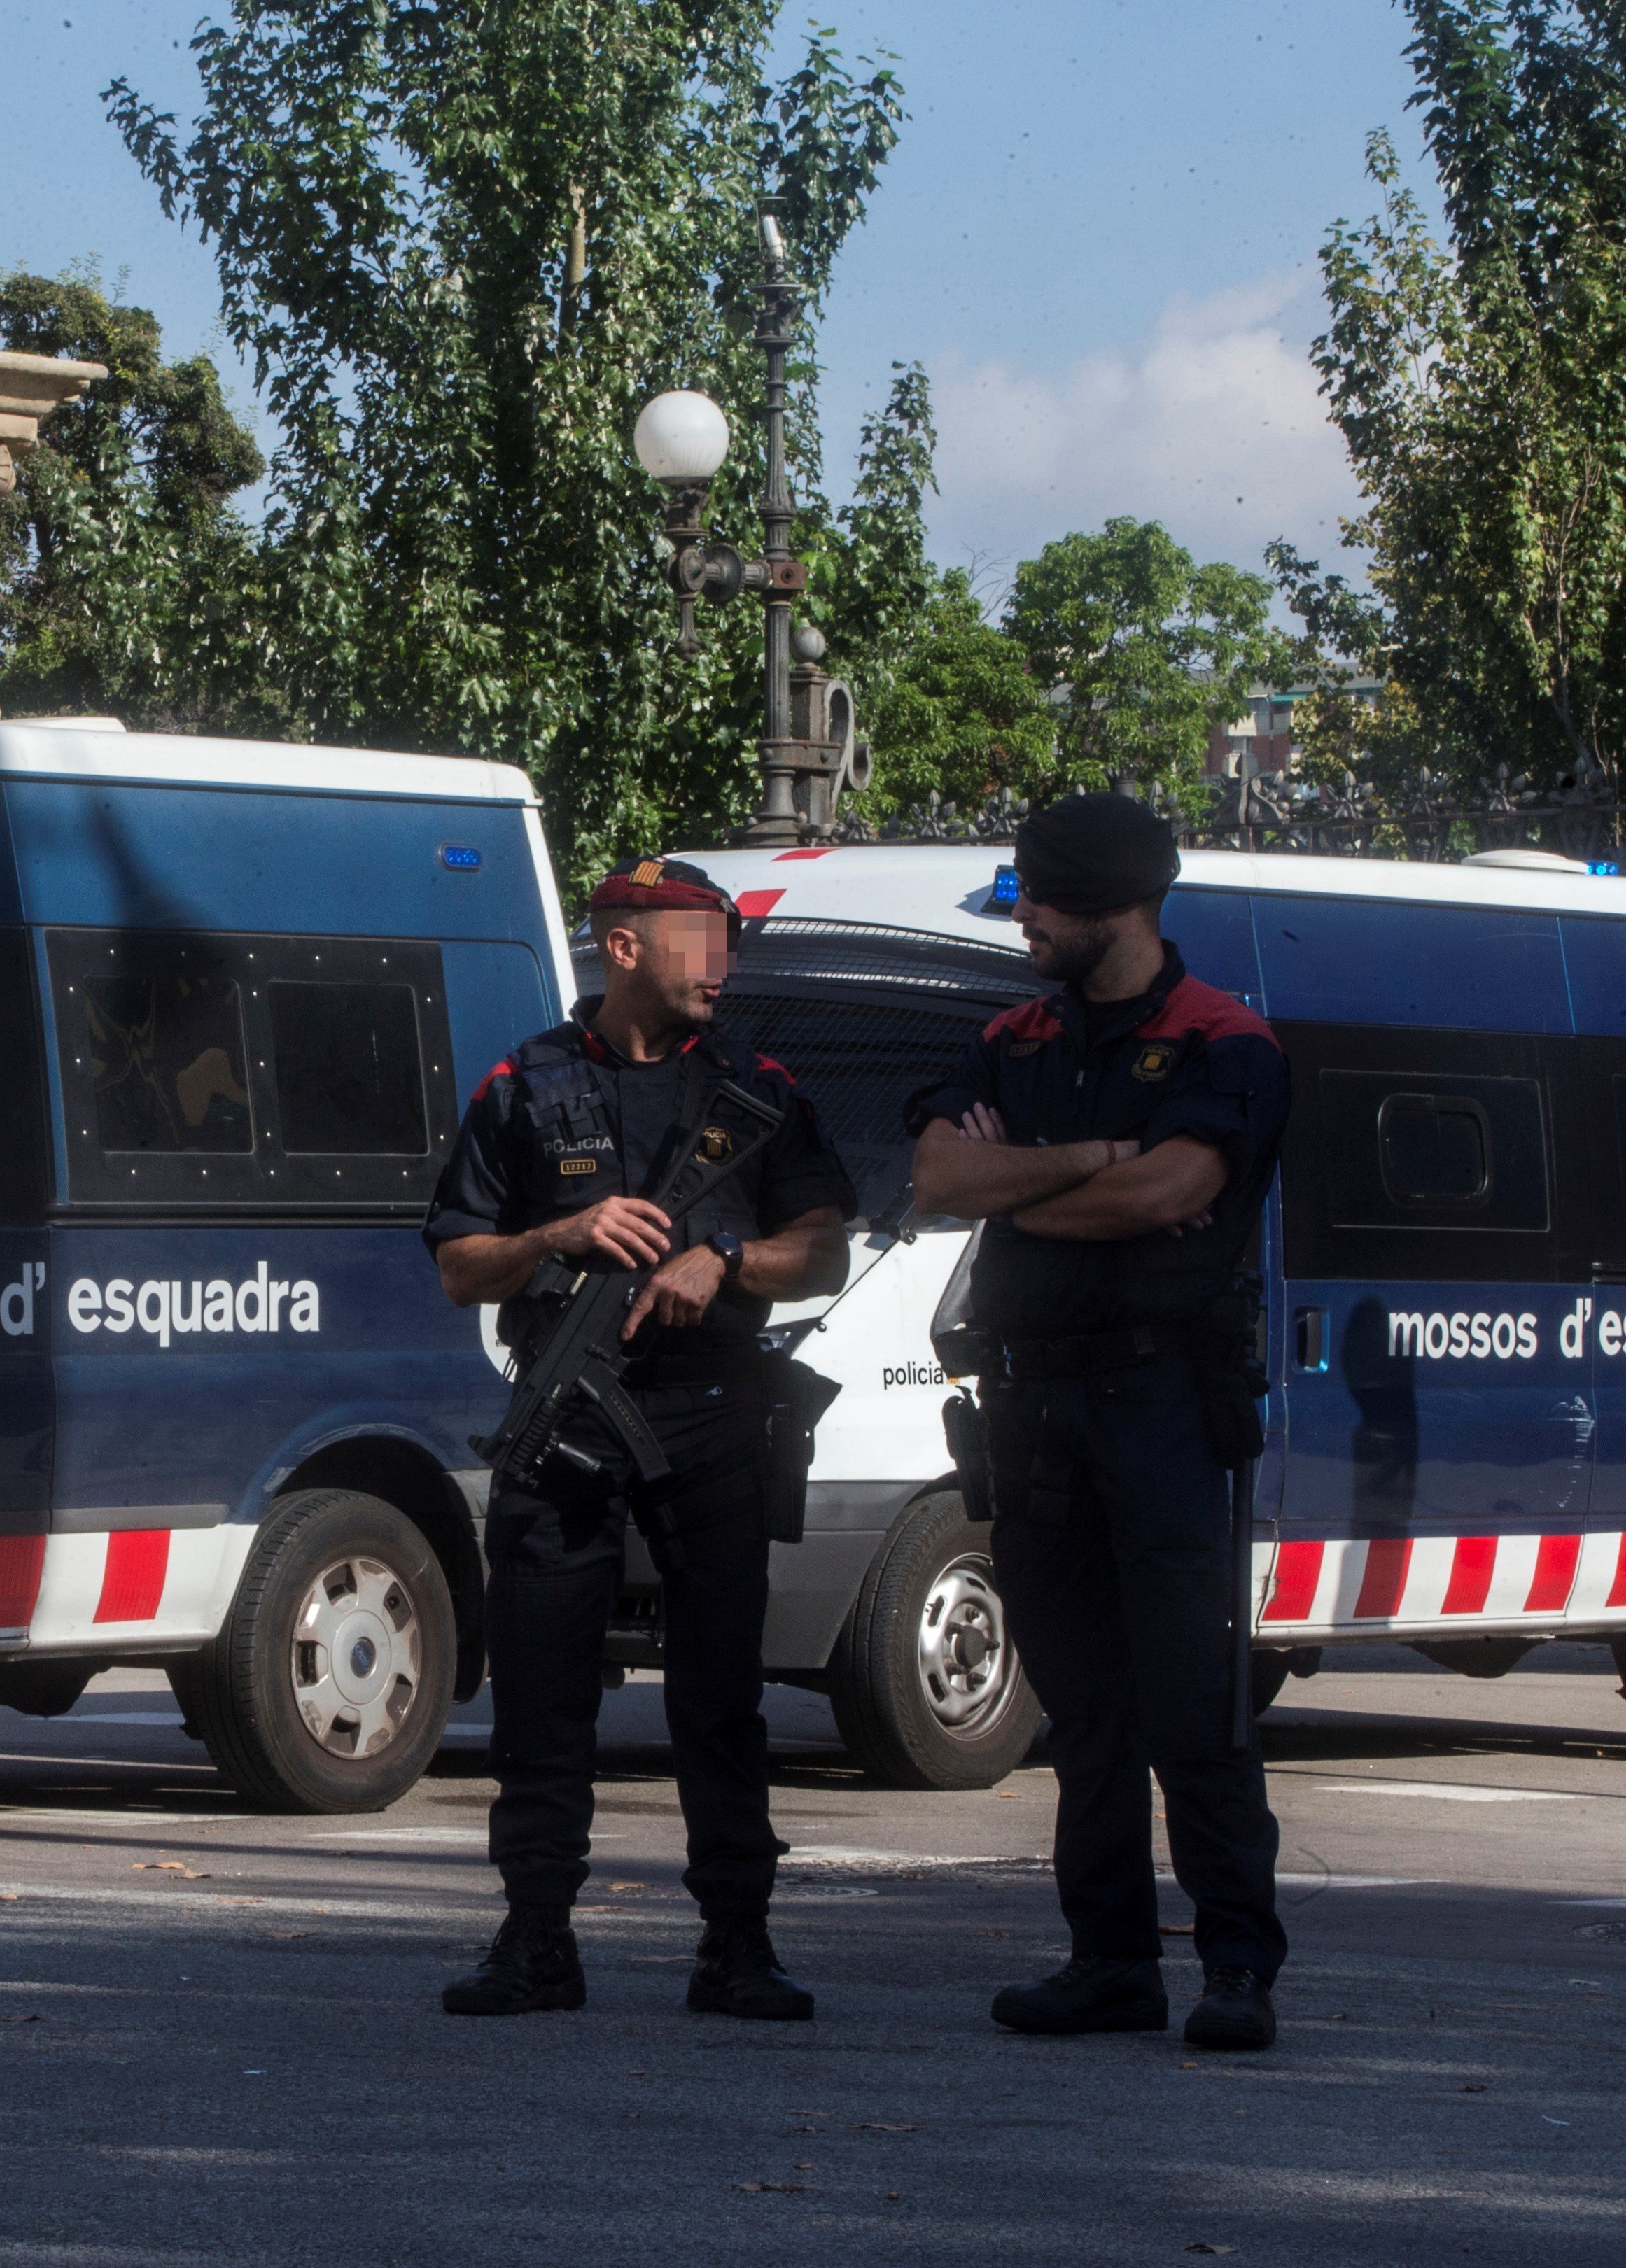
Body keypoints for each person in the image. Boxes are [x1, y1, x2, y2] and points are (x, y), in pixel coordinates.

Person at [423, 857, 854, 2020]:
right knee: (544, 1689)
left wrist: (728, 1261)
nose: (720, 962)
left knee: (720, 1695)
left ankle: (738, 1945)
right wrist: (561, 1230)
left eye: (725, 938)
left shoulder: (757, 1087)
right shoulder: (528, 1083)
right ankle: (537, 1939)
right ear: (623, 946)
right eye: (697, 938)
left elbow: (824, 1246)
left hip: (713, 1412)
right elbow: (459, 1257)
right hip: (568, 1416)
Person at [905, 791, 1292, 2053]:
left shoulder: (1224, 1040)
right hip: (1037, 1403)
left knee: (1195, 1701)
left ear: (1113, 907)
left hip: (1164, 1402)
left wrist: (1035, 1179)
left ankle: (1236, 1963)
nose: (1026, 925)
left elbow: (1174, 1189)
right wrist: (1088, 1161)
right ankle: (1112, 1958)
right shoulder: (1013, 1034)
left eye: (1041, 904)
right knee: (1083, 1709)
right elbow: (942, 1176)